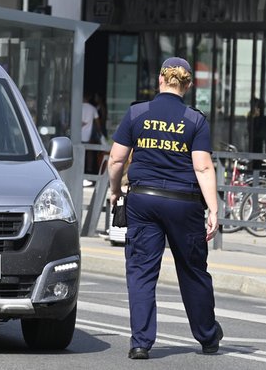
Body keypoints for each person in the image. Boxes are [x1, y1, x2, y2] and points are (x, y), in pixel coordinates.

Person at [107, 57, 222, 360]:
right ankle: (208, 337)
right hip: (184, 203)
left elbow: (117, 160)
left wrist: (115, 190)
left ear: (160, 79)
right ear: (187, 85)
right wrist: (213, 209)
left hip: (143, 200)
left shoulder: (137, 113)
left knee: (142, 271)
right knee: (193, 270)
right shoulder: (195, 120)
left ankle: (141, 342)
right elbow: (203, 167)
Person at [83, 93, 102, 178]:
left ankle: (80, 169)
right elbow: (97, 123)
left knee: (77, 153)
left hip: (76, 135)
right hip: (89, 135)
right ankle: (89, 169)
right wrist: (100, 133)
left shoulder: (76, 107)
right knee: (89, 153)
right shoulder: (92, 108)